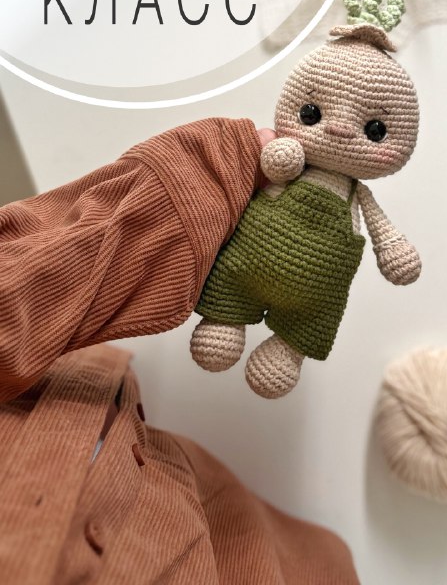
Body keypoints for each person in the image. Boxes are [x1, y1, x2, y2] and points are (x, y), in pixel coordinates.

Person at [0, 117, 359, 584]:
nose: (341, 132)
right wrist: (176, 196)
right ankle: (225, 318)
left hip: (112, 443)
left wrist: (172, 199)